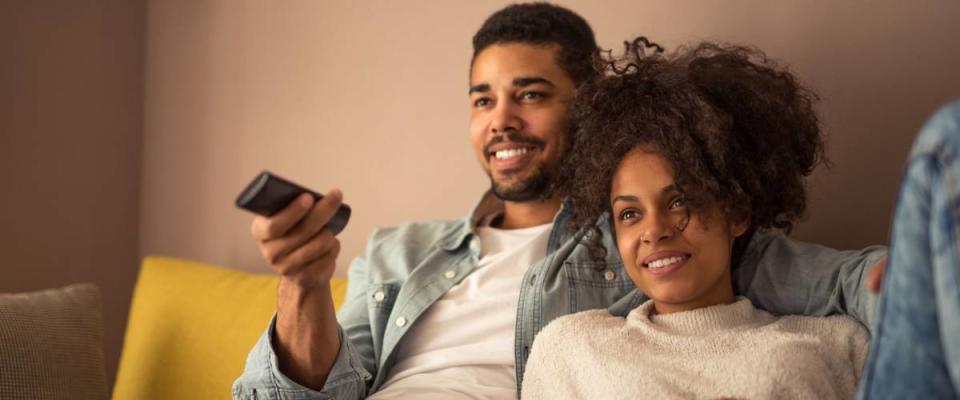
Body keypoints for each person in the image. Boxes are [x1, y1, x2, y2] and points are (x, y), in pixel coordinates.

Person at [232, 4, 887, 399]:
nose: (502, 120)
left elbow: (855, 282)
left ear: (590, 104)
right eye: (483, 100)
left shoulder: (644, 237)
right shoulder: (399, 252)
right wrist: (302, 285)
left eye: (531, 94)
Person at [522, 40, 870, 399]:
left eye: (678, 202)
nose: (653, 231)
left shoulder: (834, 346)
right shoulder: (570, 349)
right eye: (629, 213)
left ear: (736, 212)